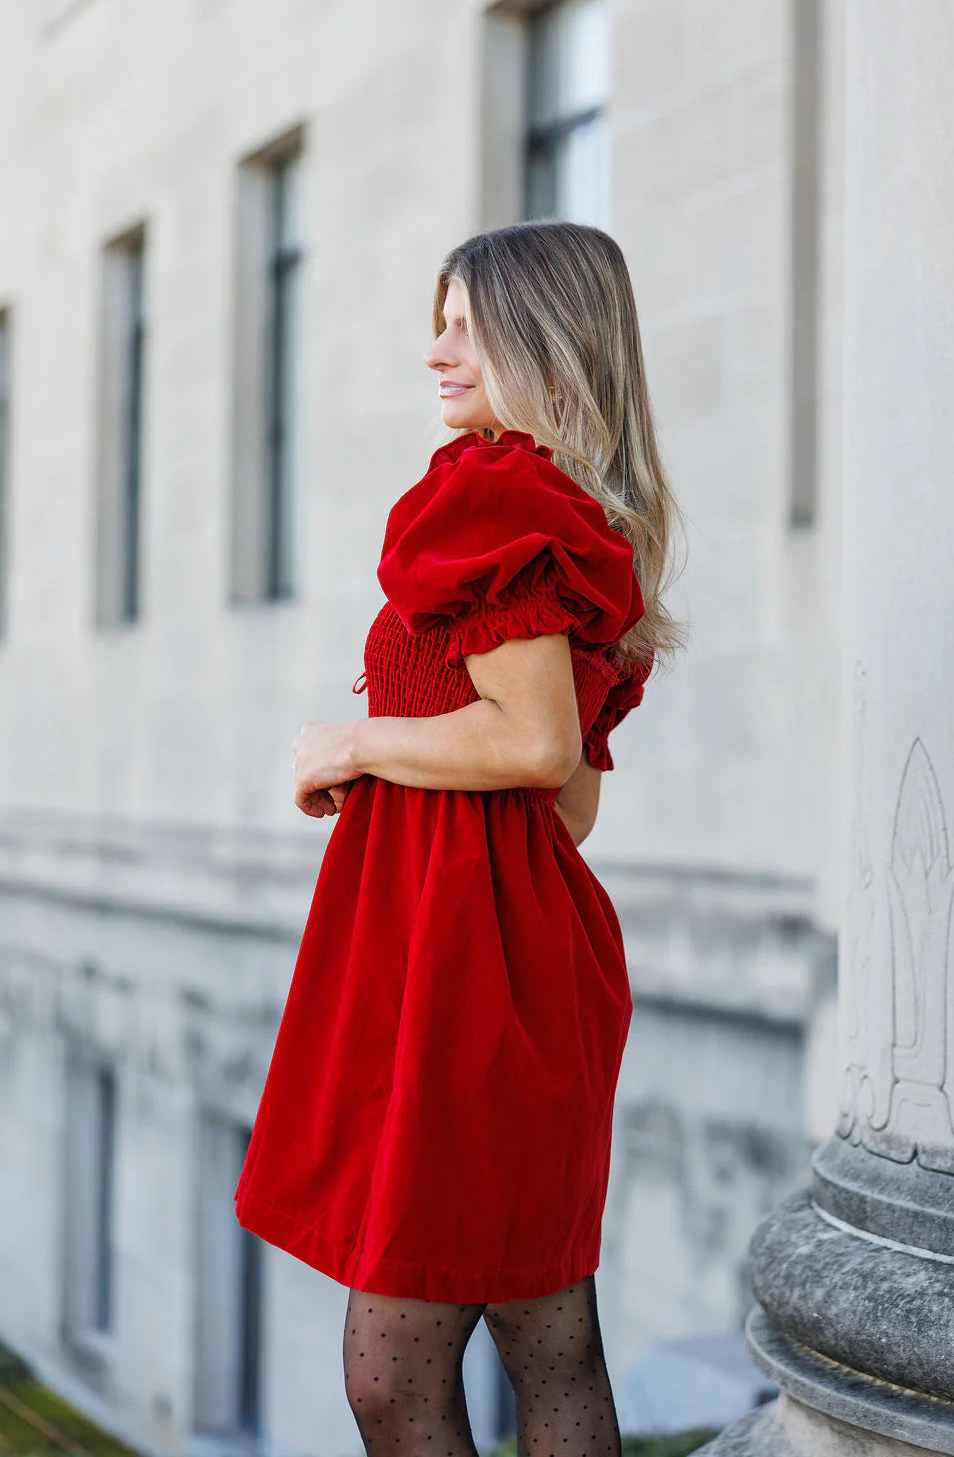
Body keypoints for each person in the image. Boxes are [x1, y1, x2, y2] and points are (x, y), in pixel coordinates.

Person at [234, 219, 688, 1456]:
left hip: (467, 971)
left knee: (395, 1375)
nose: (434, 350)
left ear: (539, 336)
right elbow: (571, 809)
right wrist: (421, 758)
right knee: (547, 1344)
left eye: (461, 324)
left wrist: (356, 745)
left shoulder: (490, 493)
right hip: (503, 954)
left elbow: (537, 750)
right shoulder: (574, 519)